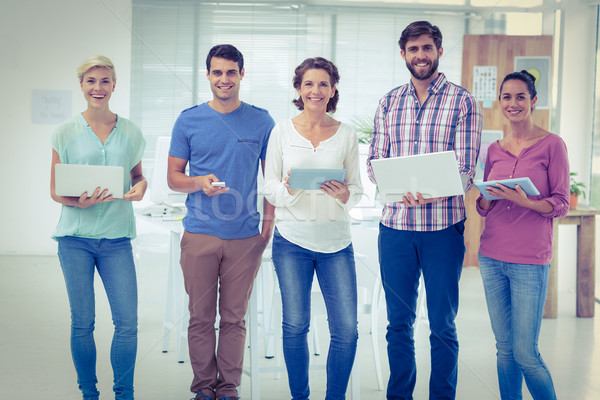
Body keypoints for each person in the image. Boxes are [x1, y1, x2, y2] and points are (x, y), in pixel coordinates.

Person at [366, 21, 483, 399]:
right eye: (413, 49)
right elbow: (374, 161)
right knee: (398, 323)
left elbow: (465, 169)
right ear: (403, 54)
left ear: (439, 52)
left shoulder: (462, 101)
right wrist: (396, 187)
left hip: (443, 230)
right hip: (395, 228)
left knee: (442, 324)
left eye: (427, 48)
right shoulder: (388, 102)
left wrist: (431, 193)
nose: (420, 55)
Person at [167, 44, 275, 400]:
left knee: (233, 319)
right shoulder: (189, 120)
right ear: (208, 75)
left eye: (231, 72)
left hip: (245, 237)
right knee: (200, 318)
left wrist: (267, 226)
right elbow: (173, 177)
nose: (224, 79)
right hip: (199, 233)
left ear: (242, 74)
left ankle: (227, 389)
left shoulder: (262, 121)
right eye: (217, 72)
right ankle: (203, 389)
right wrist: (198, 182)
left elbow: (271, 179)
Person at [264, 57, 363, 400]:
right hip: (292, 241)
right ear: (298, 89)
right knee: (295, 326)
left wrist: (345, 194)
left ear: (333, 90)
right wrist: (289, 192)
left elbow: (358, 191)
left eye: (323, 84)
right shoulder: (281, 131)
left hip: (336, 241)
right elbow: (270, 187)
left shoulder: (346, 135)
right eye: (309, 84)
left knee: (347, 330)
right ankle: (300, 396)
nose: (315, 90)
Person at [50, 55, 147, 400]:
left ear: (114, 85)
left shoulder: (131, 132)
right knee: (83, 322)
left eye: (105, 81)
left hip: (117, 238)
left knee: (127, 324)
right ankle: (89, 393)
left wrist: (141, 187)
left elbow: (137, 177)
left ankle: (124, 393)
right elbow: (55, 190)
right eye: (91, 81)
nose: (98, 88)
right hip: (74, 239)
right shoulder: (64, 133)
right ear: (81, 86)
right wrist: (78, 202)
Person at [476, 71, 569, 400]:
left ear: (533, 101)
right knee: (504, 350)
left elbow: (560, 204)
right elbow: (484, 207)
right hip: (491, 257)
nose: (512, 103)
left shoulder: (552, 145)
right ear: (499, 102)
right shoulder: (494, 150)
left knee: (526, 353)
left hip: (530, 260)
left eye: (519, 97)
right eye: (506, 97)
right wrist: (486, 197)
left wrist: (525, 202)